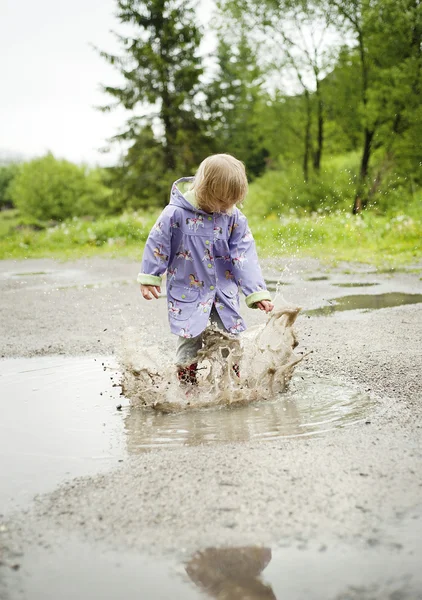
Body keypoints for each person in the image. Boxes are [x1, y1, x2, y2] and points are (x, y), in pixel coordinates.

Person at [138, 153, 274, 384]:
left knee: (229, 340)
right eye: (223, 201)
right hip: (188, 292)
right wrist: (151, 275)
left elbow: (244, 255)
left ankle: (230, 385)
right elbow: (158, 242)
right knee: (189, 341)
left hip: (223, 292)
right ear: (205, 189)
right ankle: (186, 387)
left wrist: (256, 291)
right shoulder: (175, 213)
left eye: (233, 202)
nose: (227, 207)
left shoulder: (233, 217)